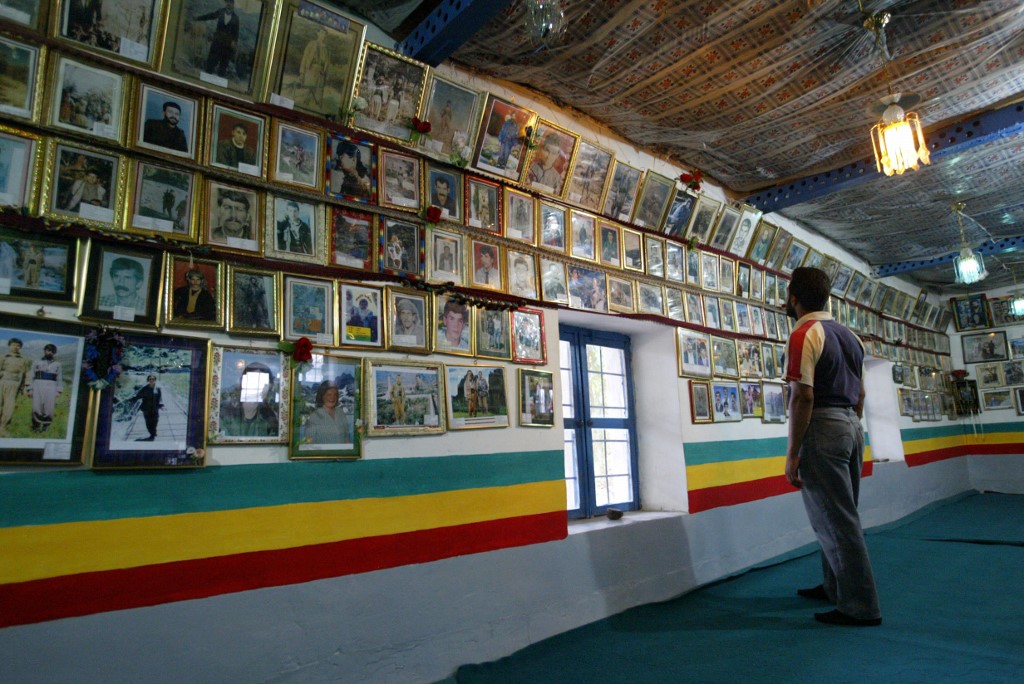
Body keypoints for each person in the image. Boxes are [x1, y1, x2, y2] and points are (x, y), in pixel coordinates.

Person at [784, 266, 881, 627]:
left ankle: (860, 606)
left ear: (793, 298)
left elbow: (803, 396)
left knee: (836, 520)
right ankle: (834, 586)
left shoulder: (803, 334)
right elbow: (861, 394)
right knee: (839, 514)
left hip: (823, 426)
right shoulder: (851, 337)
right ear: (827, 298)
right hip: (851, 426)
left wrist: (793, 453)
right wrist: (849, 425)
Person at [221, 362, 277, 437]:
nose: (259, 387)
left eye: (264, 383)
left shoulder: (269, 417)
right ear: (243, 382)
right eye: (253, 381)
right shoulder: (225, 412)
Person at [194, 0, 240, 78]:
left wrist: (234, 42)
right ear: (225, 3)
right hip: (217, 42)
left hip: (227, 46)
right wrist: (198, 18)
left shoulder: (236, 18)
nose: (228, 4)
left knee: (223, 67)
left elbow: (236, 33)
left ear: (233, 4)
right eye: (227, 2)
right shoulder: (220, 12)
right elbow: (210, 16)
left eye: (230, 2)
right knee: (210, 63)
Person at [28, 343, 62, 433]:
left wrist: (58, 391)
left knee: (49, 408)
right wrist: (30, 389)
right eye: (48, 350)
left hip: (51, 386)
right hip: (38, 384)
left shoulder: (57, 364)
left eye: (52, 351)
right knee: (36, 407)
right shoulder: (37, 362)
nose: (50, 352)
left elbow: (59, 378)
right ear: (44, 351)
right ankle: (36, 426)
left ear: (54, 353)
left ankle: (46, 426)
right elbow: (31, 375)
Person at [0, 338, 30, 436]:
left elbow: (26, 374)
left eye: (18, 345)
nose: (15, 347)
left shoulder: (23, 359)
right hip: (2, 382)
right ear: (9, 346)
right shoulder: (3, 357)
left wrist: (25, 387)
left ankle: (3, 428)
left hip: (14, 385)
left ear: (20, 347)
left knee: (9, 407)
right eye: (13, 345)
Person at [297, 28, 329, 107]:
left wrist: (326, 76)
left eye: (325, 34)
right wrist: (302, 72)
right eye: (321, 33)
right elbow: (305, 58)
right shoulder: (311, 44)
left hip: (320, 73)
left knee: (317, 96)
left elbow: (327, 63)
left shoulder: (326, 48)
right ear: (318, 34)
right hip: (311, 70)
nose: (323, 35)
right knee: (307, 91)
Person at [130, 375, 163, 441]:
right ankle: (152, 434)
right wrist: (133, 399)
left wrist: (160, 405)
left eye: (153, 379)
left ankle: (153, 432)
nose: (151, 380)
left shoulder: (158, 389)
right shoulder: (144, 389)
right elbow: (138, 396)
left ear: (155, 380)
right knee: (148, 422)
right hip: (146, 408)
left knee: (155, 420)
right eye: (150, 379)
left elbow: (160, 398)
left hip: (154, 408)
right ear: (148, 380)